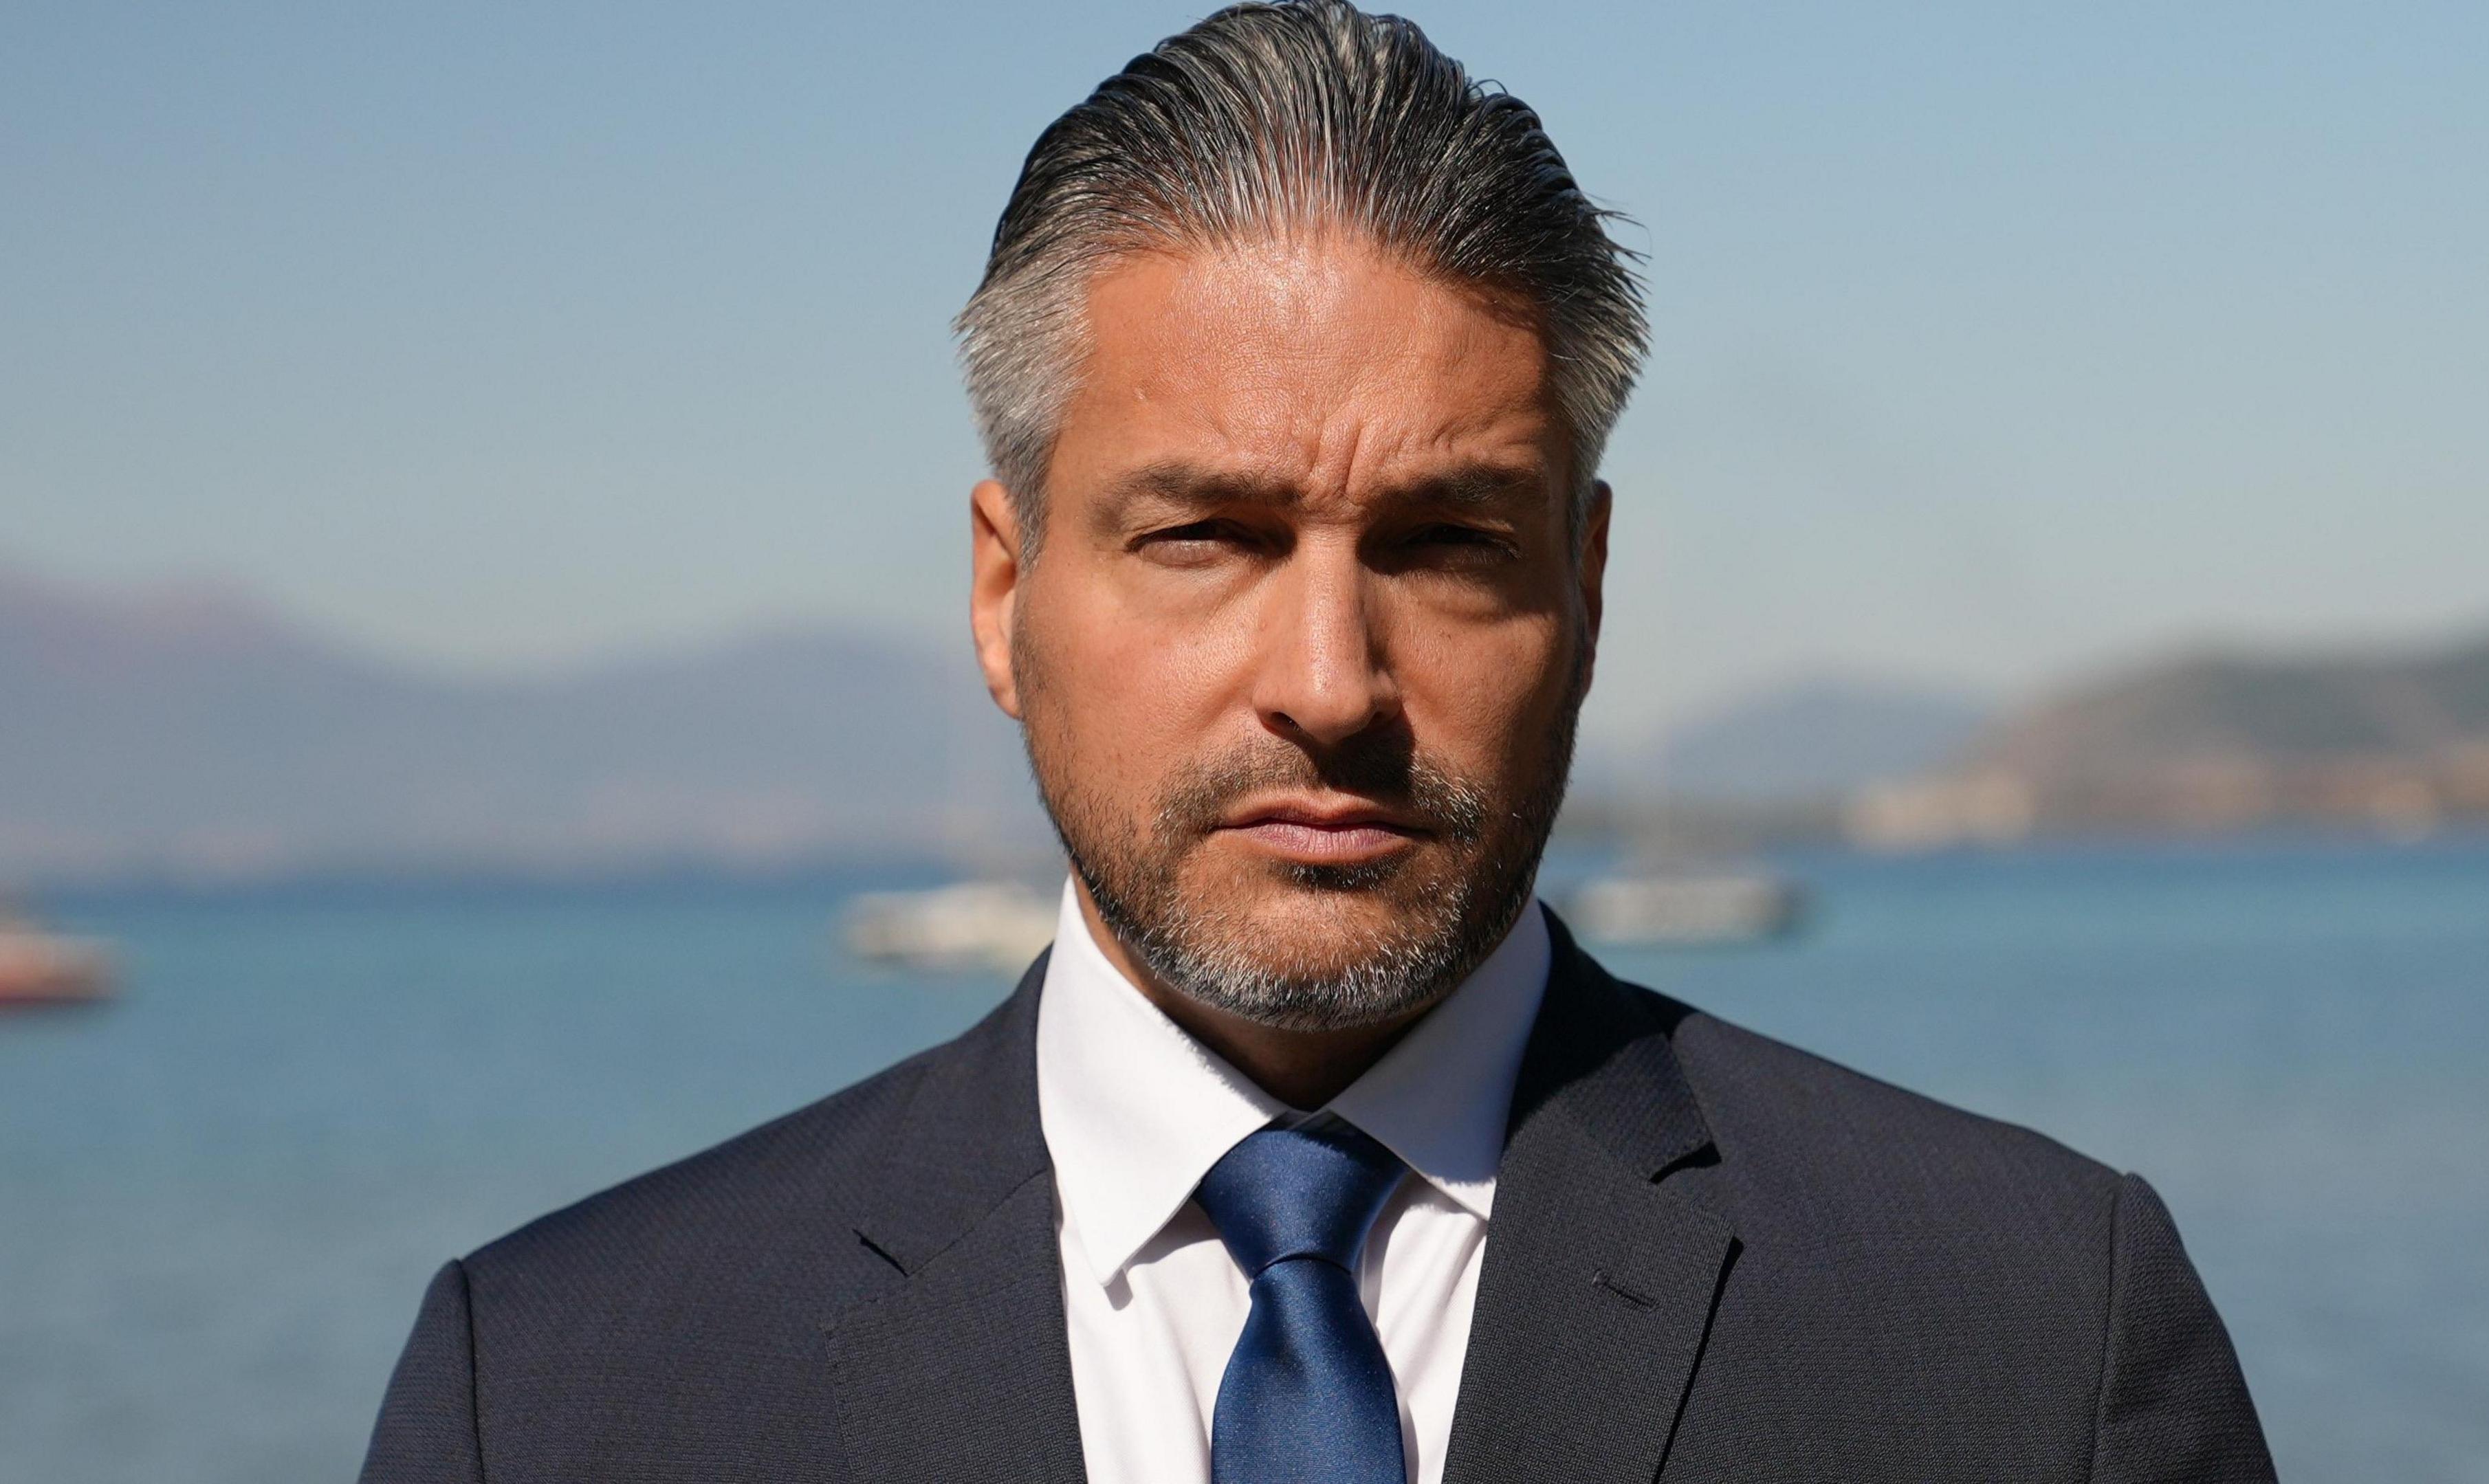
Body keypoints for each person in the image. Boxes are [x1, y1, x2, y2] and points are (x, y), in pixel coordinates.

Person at [360, 3, 2274, 1480]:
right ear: (1001, 593)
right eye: (1206, 537)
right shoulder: (553, 1399)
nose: (1333, 677)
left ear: (1585, 592)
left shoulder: (2030, 1340)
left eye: (1445, 544)